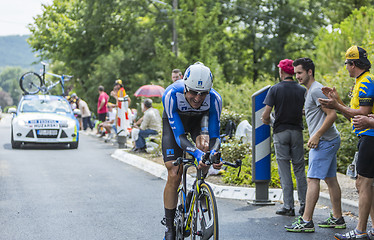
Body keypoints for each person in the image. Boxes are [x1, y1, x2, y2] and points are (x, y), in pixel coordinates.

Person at [161, 62, 223, 240]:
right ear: (185, 86)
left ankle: (200, 189)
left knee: (205, 147)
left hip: (198, 122)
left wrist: (213, 153)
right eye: (193, 92)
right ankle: (170, 226)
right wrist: (196, 153)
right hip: (176, 125)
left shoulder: (214, 99)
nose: (197, 98)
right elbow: (179, 136)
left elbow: (215, 137)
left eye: (203, 93)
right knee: (174, 171)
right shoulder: (171, 95)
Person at [319, 46, 374, 240]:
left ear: (353, 64)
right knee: (364, 184)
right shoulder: (360, 81)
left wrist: (336, 105)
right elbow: (352, 114)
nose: (346, 68)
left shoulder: (366, 81)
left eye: (347, 64)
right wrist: (337, 101)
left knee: (364, 183)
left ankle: (360, 231)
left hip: (370, 136)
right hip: (365, 136)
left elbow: (363, 113)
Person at [285, 58, 344, 233]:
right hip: (330, 139)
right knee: (331, 179)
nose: (297, 76)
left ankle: (306, 220)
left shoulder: (316, 89)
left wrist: (316, 135)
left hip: (324, 141)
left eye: (300, 73)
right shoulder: (311, 90)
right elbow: (320, 112)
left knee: (312, 179)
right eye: (295, 73)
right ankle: (338, 218)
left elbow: (332, 115)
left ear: (309, 72)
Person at [262, 59, 307, 217]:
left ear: (281, 72)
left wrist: (268, 121)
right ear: (293, 72)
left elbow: (265, 115)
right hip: (296, 132)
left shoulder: (275, 89)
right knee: (299, 169)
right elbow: (307, 110)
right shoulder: (302, 90)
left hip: (280, 132)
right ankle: (304, 206)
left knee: (285, 170)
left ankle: (288, 206)